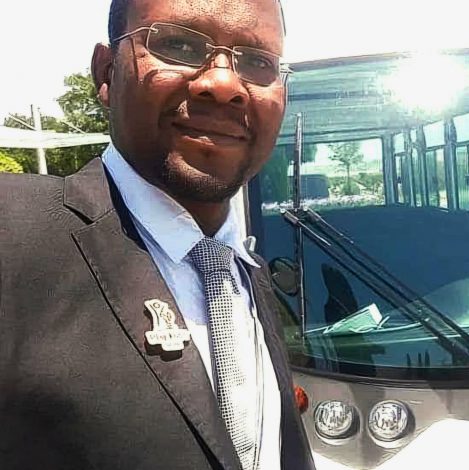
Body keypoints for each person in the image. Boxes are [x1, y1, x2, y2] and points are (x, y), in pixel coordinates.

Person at [0, 0, 315, 468]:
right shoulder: (14, 237)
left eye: (257, 61)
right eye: (179, 45)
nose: (224, 84)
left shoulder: (245, 273)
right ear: (106, 73)